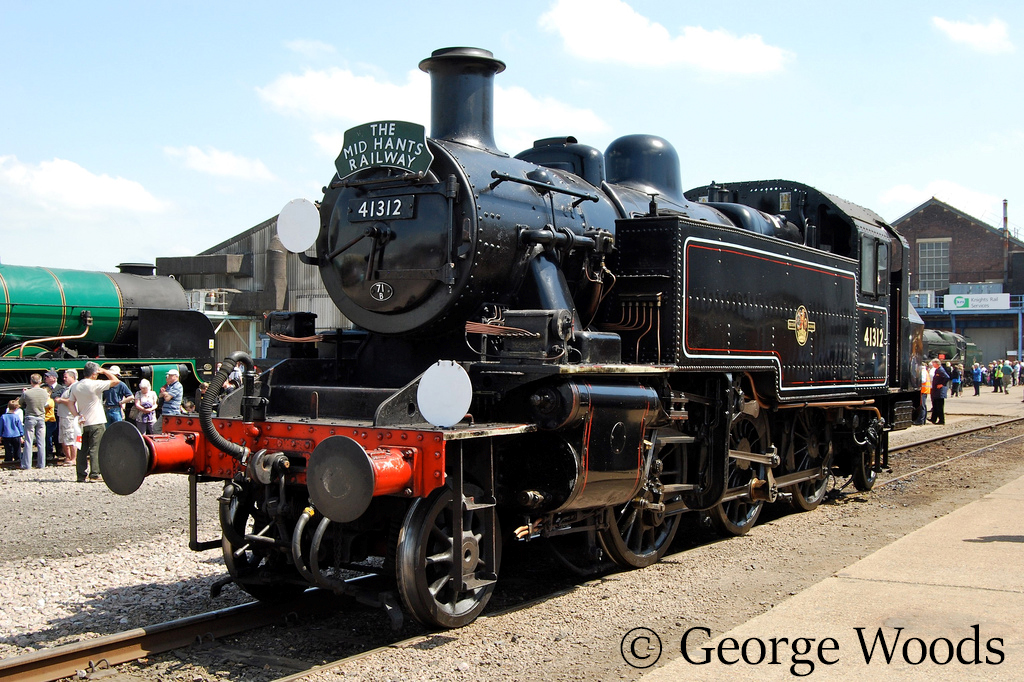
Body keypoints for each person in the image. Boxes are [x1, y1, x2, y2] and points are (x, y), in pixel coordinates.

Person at [70, 362, 120, 482]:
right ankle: (95, 474)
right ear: (94, 374)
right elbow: (116, 381)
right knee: (95, 448)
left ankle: (80, 475)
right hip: (96, 421)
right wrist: (105, 371)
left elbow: (70, 403)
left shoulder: (75, 386)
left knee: (82, 449)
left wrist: (77, 415)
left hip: (83, 422)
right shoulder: (95, 384)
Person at [19, 373, 49, 468]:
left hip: (30, 417)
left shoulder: (27, 393)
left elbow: (20, 403)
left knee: (28, 441)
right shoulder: (45, 393)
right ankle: (41, 464)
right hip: (41, 418)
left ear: (31, 381)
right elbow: (46, 404)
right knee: (41, 442)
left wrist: (23, 393)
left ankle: (27, 465)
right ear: (40, 381)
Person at [53, 368, 79, 467]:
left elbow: (72, 401)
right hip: (63, 416)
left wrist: (60, 400)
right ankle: (68, 457)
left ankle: (73, 458)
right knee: (64, 438)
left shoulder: (75, 387)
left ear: (72, 377)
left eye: (66, 377)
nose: (64, 379)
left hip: (69, 416)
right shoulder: (68, 388)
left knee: (71, 438)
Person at [157, 368, 183, 433]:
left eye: (170, 375)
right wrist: (165, 394)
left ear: (176, 376)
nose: (168, 377)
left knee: (168, 430)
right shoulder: (169, 386)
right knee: (156, 427)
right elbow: (160, 395)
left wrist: (165, 394)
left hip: (171, 412)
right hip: (166, 412)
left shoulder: (178, 386)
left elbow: (167, 398)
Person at [43, 370, 60, 459]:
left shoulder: (60, 388)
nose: (45, 378)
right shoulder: (43, 388)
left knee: (58, 434)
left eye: (48, 376)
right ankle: (49, 453)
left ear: (54, 378)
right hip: (47, 416)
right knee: (47, 436)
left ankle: (59, 451)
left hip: (57, 413)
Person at [1, 400, 24, 466]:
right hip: (16, 435)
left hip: (6, 435)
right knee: (17, 450)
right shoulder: (16, 417)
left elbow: (1, 427)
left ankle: (8, 462)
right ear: (16, 408)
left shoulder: (3, 416)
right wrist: (21, 435)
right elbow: (20, 426)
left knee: (8, 450)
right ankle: (17, 461)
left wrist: (0, 435)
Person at [929, 358, 950, 425]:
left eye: (933, 363)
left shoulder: (941, 370)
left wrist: (942, 384)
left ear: (937, 363)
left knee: (939, 406)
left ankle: (941, 420)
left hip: (940, 391)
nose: (932, 365)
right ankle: (933, 419)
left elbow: (947, 377)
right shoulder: (937, 370)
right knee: (935, 405)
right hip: (936, 391)